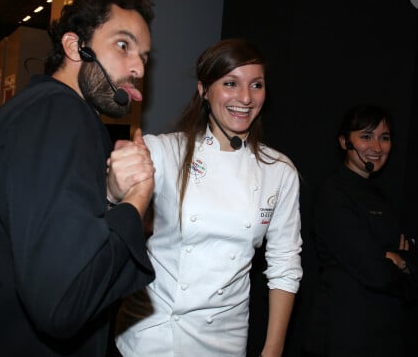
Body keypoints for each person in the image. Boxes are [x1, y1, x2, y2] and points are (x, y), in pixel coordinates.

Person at [0, 0, 156, 356]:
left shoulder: (40, 112)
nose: (138, 67)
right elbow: (63, 302)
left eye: (143, 56)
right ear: (75, 47)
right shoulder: (59, 115)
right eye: (123, 45)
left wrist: (108, 194)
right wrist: (136, 200)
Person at [114, 38, 303, 357]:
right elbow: (115, 207)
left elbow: (285, 263)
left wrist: (273, 348)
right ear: (204, 90)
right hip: (154, 332)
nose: (245, 97)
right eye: (231, 83)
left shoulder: (279, 171)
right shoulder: (164, 151)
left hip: (224, 337)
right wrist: (116, 180)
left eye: (256, 85)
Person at [303, 104, 418, 357]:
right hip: (345, 333)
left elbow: (412, 268)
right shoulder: (333, 194)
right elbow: (374, 271)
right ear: (344, 141)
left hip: (384, 332)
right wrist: (402, 263)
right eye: (366, 136)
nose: (377, 147)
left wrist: (401, 261)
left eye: (385, 137)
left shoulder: (381, 196)